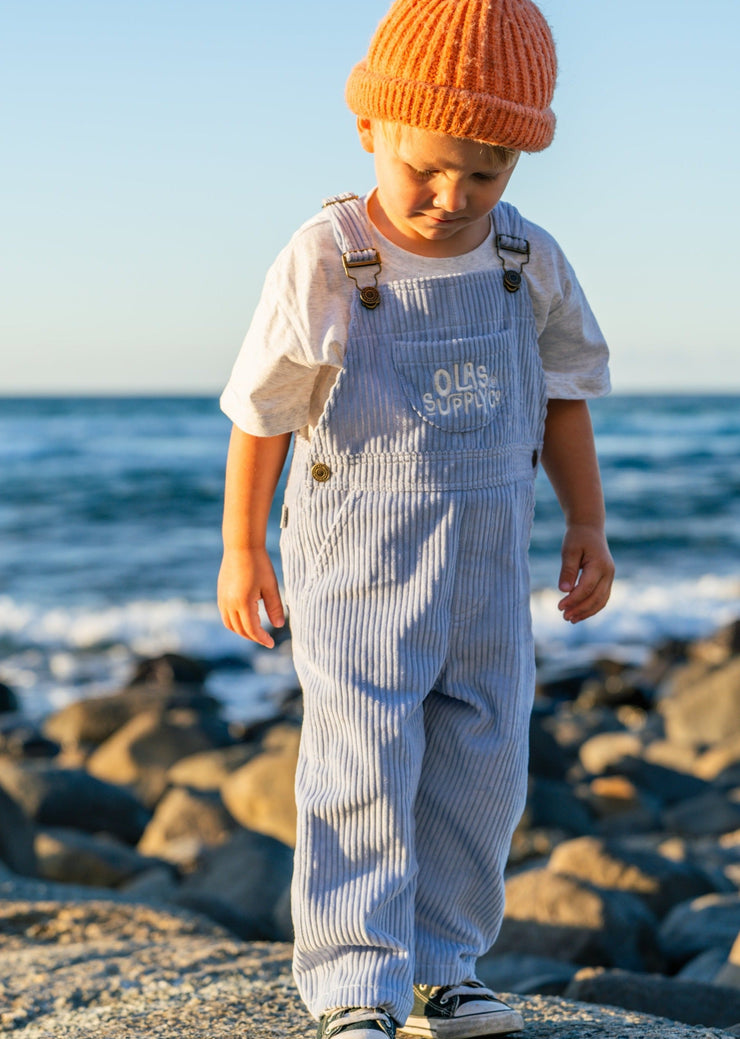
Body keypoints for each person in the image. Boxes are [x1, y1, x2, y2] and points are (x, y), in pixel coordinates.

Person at [218, 0, 614, 1035]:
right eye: (427, 169)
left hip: (486, 562)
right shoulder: (327, 257)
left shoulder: (523, 259)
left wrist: (587, 525)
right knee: (359, 757)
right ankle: (354, 980)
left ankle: (443, 963)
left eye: (485, 175)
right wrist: (238, 547)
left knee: (483, 757)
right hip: (354, 563)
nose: (452, 197)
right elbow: (260, 416)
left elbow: (563, 393)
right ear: (371, 133)